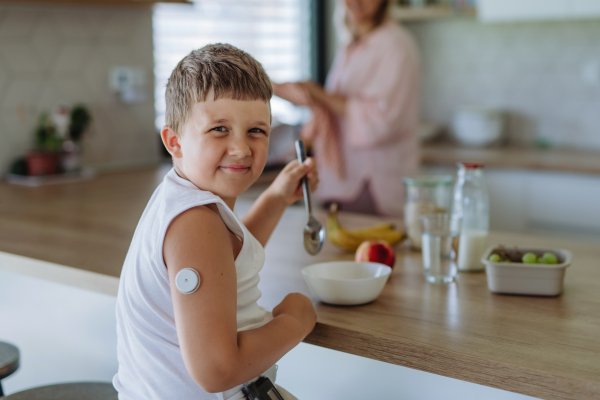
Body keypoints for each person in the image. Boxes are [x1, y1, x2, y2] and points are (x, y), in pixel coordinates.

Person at [113, 44, 318, 400]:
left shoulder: (183, 201)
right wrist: (295, 323)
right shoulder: (194, 222)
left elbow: (226, 257)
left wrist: (277, 197)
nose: (241, 148)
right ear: (174, 142)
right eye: (220, 129)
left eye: (256, 130)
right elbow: (216, 370)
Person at [273, 0, 421, 216]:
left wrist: (319, 94)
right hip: (341, 179)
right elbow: (335, 108)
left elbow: (380, 122)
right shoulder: (352, 44)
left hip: (372, 183)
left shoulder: (396, 45)